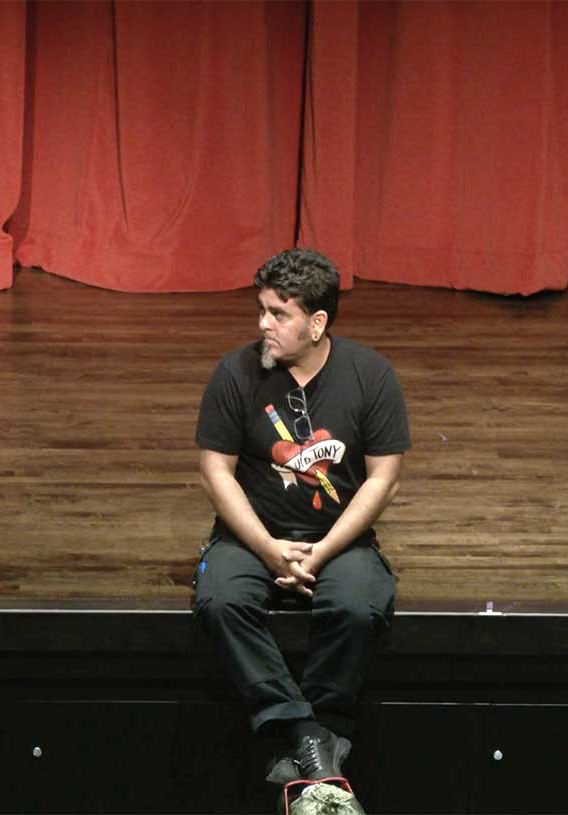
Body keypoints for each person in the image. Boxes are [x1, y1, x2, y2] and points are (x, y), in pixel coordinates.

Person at [192, 248, 409, 792]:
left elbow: (384, 478)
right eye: (262, 309)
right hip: (250, 538)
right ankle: (305, 730)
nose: (263, 324)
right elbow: (214, 471)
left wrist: (326, 549)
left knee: (358, 605)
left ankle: (325, 729)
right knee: (221, 599)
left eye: (279, 314)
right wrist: (266, 547)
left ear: (317, 324)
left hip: (339, 540)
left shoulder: (371, 375)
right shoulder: (235, 373)